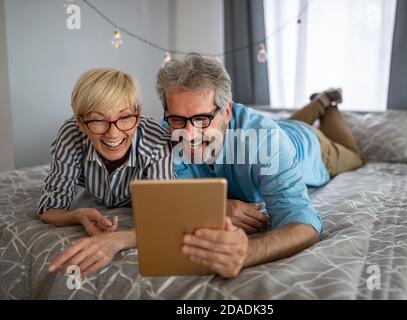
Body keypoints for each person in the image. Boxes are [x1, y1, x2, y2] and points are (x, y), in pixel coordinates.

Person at [157, 53, 364, 278]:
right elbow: (164, 197)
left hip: (312, 146)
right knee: (278, 127)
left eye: (202, 120)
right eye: (177, 119)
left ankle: (327, 105)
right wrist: (213, 207)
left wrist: (246, 253)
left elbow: (304, 224)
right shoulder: (166, 131)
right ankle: (317, 104)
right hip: (277, 129)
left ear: (226, 112)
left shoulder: (265, 139)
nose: (187, 135)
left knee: (354, 156)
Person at [39, 68, 174, 277]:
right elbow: (49, 209)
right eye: (98, 120)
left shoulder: (156, 140)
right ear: (81, 123)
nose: (113, 132)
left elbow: (165, 219)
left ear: (137, 117)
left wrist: (117, 240)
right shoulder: (70, 135)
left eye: (125, 117)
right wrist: (77, 215)